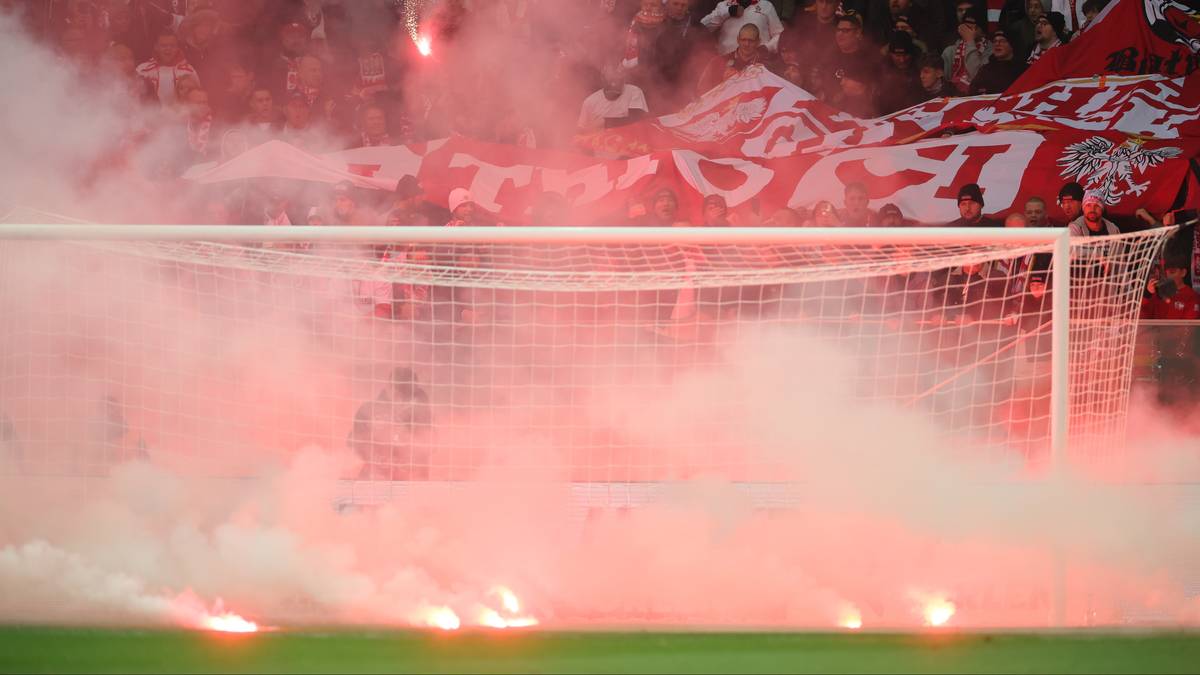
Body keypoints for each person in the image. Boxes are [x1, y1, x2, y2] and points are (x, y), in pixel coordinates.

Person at [348, 367, 433, 481]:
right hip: (375, 477)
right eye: (399, 393)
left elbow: (429, 443)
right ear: (390, 389)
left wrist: (409, 456)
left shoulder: (420, 412)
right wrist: (374, 457)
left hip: (410, 479)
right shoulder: (369, 410)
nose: (402, 399)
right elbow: (353, 441)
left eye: (408, 395)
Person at [578, 66, 649, 133]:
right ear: (602, 79)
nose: (613, 84)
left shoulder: (634, 91)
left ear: (624, 79)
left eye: (617, 79)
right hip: (601, 142)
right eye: (609, 79)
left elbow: (637, 121)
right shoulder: (590, 101)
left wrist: (605, 123)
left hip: (629, 141)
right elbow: (581, 131)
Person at [701, 0, 785, 55]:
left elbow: (780, 35)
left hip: (759, 65)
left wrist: (767, 48)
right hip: (726, 65)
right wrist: (729, 11)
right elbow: (702, 27)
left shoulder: (766, 5)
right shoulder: (723, 6)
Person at [942, 11, 990, 94]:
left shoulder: (991, 50)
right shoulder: (949, 52)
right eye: (967, 27)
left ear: (982, 30)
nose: (968, 31)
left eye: (973, 28)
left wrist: (970, 42)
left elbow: (976, 77)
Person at [970, 29, 1027, 95]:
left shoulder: (1023, 70)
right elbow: (972, 93)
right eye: (995, 41)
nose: (997, 44)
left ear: (1012, 46)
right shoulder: (985, 70)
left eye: (1002, 41)